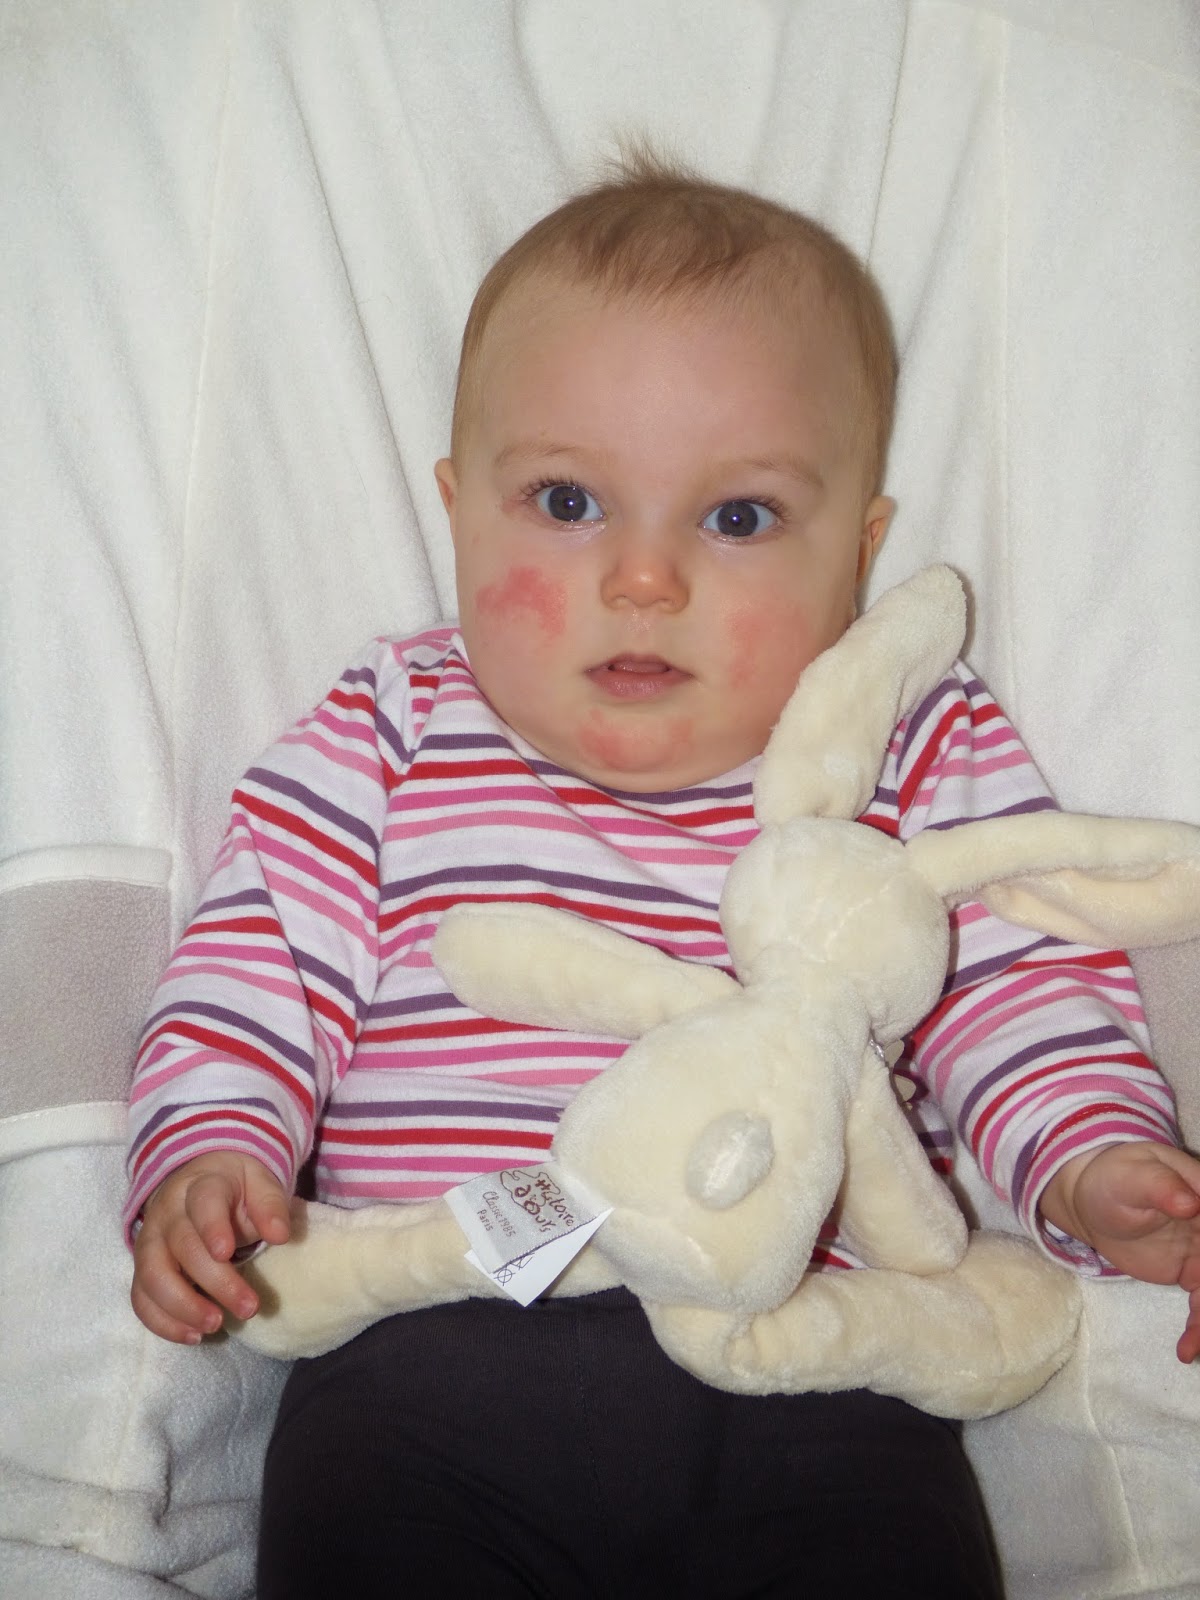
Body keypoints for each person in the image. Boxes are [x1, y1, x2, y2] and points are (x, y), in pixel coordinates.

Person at [126, 154, 1200, 1598]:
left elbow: (1019, 987)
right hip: (434, 1351)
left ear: (859, 552)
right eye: (567, 500)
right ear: (459, 508)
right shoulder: (392, 729)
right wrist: (211, 1151)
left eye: (738, 518)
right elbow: (257, 966)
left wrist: (1094, 1158)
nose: (645, 579)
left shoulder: (905, 742)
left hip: (816, 1357)